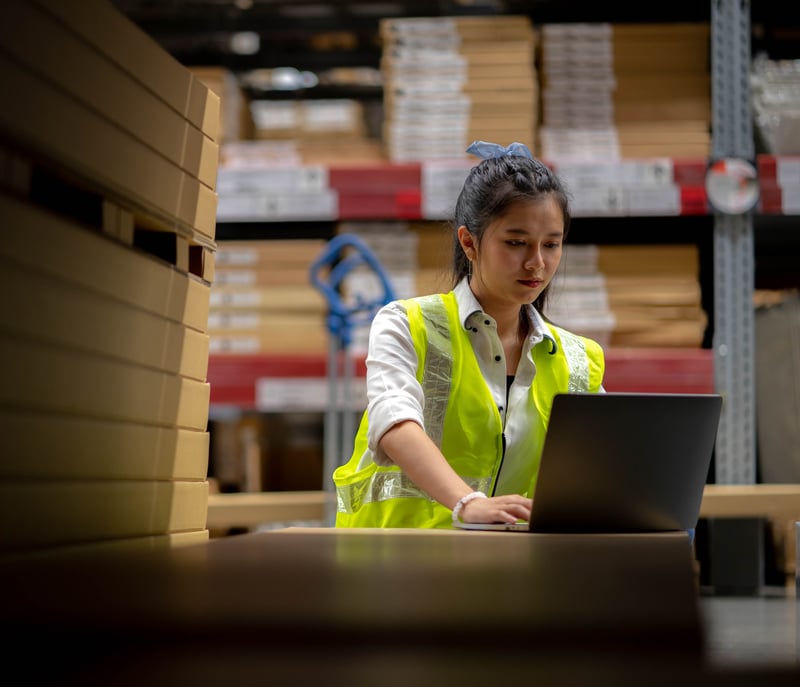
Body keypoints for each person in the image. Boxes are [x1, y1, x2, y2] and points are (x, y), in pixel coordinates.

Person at [332, 140, 605, 529]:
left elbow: (605, 459)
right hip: (392, 565)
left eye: (551, 245)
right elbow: (394, 423)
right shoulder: (405, 324)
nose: (537, 263)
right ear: (469, 242)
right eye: (516, 243)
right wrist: (467, 503)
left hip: (506, 568)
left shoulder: (579, 359)